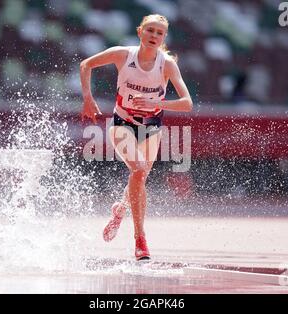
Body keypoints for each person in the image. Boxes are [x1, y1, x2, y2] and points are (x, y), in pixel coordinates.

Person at [80, 14, 193, 261]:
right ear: (140, 32)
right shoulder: (123, 55)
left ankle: (120, 210)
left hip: (152, 127)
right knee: (139, 169)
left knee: (139, 177)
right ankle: (140, 240)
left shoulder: (167, 64)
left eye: (159, 33)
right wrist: (88, 98)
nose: (154, 36)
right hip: (122, 124)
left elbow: (187, 104)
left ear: (164, 38)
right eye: (150, 30)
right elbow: (86, 64)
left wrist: (158, 101)